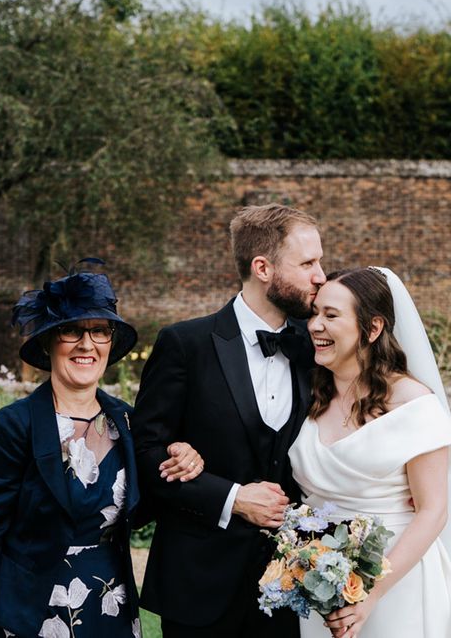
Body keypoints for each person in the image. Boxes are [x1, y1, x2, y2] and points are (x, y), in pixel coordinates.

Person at [0, 261, 204, 638]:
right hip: (29, 613)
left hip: (111, 606)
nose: (86, 344)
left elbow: (147, 504)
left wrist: (185, 455)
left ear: (110, 343)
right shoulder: (12, 427)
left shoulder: (129, 424)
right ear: (49, 341)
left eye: (99, 332)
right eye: (72, 331)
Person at [131, 204, 326, 638]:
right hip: (199, 583)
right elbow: (144, 453)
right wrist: (233, 498)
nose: (321, 276)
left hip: (289, 585)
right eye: (308, 263)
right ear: (262, 267)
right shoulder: (185, 344)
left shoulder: (317, 350)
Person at [289, 267, 451, 638]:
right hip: (318, 584)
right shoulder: (308, 395)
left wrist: (369, 595)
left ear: (372, 329)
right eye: (314, 313)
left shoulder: (413, 404)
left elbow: (433, 511)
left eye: (331, 315)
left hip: (396, 584)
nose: (314, 325)